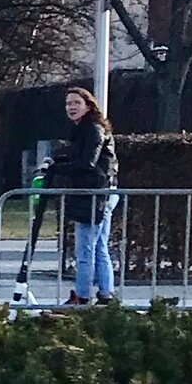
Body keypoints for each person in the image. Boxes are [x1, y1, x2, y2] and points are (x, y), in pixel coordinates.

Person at [44, 81, 118, 304]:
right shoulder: (82, 130)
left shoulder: (93, 129)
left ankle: (82, 296)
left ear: (88, 106)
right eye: (68, 103)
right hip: (101, 192)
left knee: (85, 250)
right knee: (99, 247)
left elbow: (87, 163)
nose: (71, 107)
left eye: (77, 102)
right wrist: (56, 160)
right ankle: (106, 294)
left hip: (95, 195)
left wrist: (56, 168)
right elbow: (79, 157)